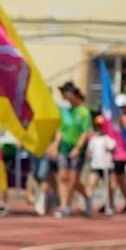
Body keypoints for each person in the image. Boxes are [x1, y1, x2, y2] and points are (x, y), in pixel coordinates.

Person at [49, 81, 92, 218]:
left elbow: (85, 132)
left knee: (73, 179)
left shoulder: (83, 111)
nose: (64, 97)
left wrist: (78, 148)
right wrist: (55, 145)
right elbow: (60, 130)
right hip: (64, 146)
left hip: (77, 148)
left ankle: (87, 197)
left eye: (66, 93)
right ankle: (64, 205)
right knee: (62, 176)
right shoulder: (65, 111)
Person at [84, 116, 117, 215]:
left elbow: (114, 149)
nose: (99, 128)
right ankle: (88, 205)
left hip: (107, 165)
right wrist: (89, 154)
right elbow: (89, 152)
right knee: (91, 184)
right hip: (96, 165)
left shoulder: (108, 138)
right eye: (97, 126)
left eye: (101, 126)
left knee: (111, 185)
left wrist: (109, 149)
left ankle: (110, 204)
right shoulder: (93, 139)